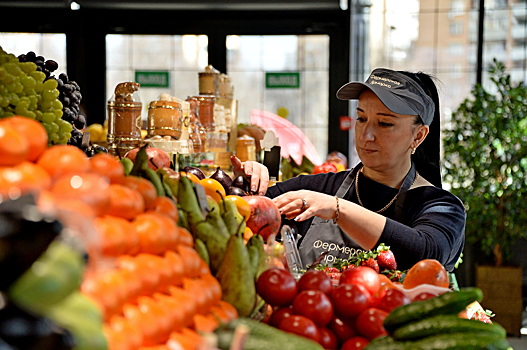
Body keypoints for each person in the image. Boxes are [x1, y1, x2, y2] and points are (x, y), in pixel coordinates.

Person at [231, 68, 465, 272]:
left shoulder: (440, 206)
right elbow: (233, 212)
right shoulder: (318, 189)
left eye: (384, 123)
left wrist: (336, 209)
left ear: (419, 136)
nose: (366, 135)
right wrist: (247, 185)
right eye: (361, 119)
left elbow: (426, 254)